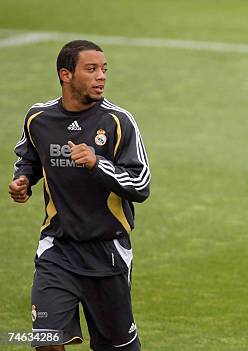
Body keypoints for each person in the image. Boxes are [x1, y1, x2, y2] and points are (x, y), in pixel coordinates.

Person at [8, 40, 150, 351]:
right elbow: (30, 157)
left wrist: (98, 163)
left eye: (104, 69)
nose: (101, 76)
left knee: (116, 347)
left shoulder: (118, 122)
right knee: (46, 341)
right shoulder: (39, 119)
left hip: (107, 252)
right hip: (57, 248)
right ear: (66, 75)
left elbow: (141, 185)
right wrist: (23, 180)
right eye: (91, 69)